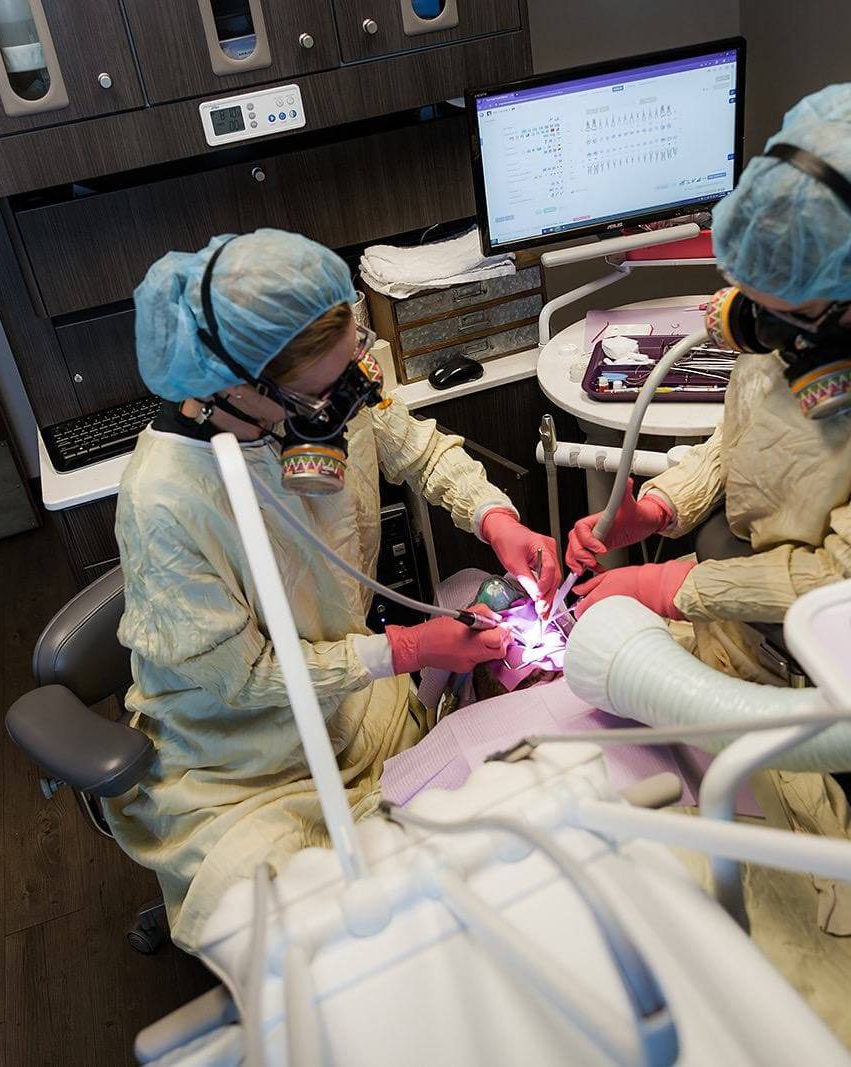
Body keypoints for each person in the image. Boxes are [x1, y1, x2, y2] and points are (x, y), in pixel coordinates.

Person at [564, 84, 851, 1065]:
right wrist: (662, 505)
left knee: (775, 899)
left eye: (788, 308)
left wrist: (670, 586)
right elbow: (750, 428)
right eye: (757, 299)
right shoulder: (810, 307)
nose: (759, 323)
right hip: (753, 623)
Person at [105, 229, 559, 951]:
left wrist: (494, 517)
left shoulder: (329, 393)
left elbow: (418, 450)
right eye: (324, 389)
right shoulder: (166, 500)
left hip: (354, 704)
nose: (350, 396)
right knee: (315, 931)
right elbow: (246, 680)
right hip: (239, 759)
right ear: (236, 386)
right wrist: (408, 649)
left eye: (354, 361)